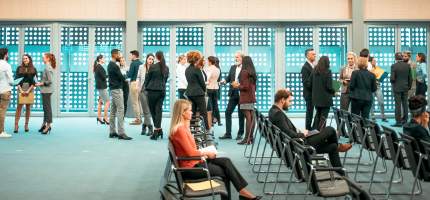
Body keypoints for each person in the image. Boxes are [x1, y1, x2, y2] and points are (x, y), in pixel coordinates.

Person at [169, 99, 262, 200]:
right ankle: (243, 193)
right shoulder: (180, 130)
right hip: (191, 168)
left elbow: (190, 151)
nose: (192, 112)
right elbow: (191, 153)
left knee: (226, 161)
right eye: (189, 110)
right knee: (224, 172)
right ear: (182, 113)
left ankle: (243, 192)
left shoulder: (183, 128)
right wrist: (206, 153)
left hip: (195, 162)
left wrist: (205, 153)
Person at [268, 89, 352, 170]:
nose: (290, 104)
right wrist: (303, 134)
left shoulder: (273, 111)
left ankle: (340, 172)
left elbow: (286, 131)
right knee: (330, 130)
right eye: (289, 101)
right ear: (282, 100)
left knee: (332, 146)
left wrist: (302, 132)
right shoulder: (278, 114)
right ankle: (339, 146)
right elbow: (289, 134)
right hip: (300, 144)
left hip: (297, 143)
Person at [219, 51, 245, 140]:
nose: (236, 59)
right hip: (233, 93)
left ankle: (240, 133)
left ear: (242, 58)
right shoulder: (233, 67)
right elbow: (229, 78)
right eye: (235, 57)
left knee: (241, 114)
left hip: (242, 93)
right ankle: (228, 133)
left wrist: (239, 84)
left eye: (237, 57)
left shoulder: (246, 68)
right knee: (227, 112)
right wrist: (224, 82)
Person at [107, 49, 132, 140]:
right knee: (121, 110)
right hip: (117, 89)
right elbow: (121, 77)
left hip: (113, 89)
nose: (120, 56)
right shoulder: (114, 66)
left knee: (113, 111)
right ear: (114, 55)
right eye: (119, 54)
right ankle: (121, 133)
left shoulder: (110, 65)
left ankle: (112, 131)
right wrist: (126, 78)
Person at [145, 51, 169, 140]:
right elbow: (165, 80)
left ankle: (156, 130)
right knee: (158, 110)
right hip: (162, 91)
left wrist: (145, 87)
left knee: (153, 111)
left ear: (156, 57)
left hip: (152, 91)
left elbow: (148, 78)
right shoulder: (166, 67)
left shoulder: (153, 66)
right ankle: (159, 129)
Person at [185, 51, 210, 132]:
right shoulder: (197, 69)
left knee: (192, 113)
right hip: (198, 93)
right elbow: (202, 83)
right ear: (196, 59)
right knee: (203, 113)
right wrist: (204, 90)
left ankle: (192, 130)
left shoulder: (187, 69)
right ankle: (207, 131)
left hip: (189, 93)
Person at [234, 56, 257, 145]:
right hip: (251, 97)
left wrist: (237, 86)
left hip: (245, 97)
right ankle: (250, 138)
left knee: (248, 118)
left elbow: (245, 87)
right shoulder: (252, 72)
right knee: (251, 117)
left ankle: (247, 138)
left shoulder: (244, 72)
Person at [308, 56, 334, 130]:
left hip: (316, 99)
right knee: (323, 118)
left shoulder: (314, 70)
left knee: (318, 116)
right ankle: (321, 133)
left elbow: (309, 84)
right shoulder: (328, 72)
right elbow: (329, 87)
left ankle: (314, 132)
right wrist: (334, 91)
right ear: (327, 63)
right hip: (325, 99)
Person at [14, 54, 37, 133]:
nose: (25, 60)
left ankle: (26, 125)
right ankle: (16, 125)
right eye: (23, 59)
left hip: (30, 89)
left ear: (29, 59)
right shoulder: (19, 68)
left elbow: (34, 82)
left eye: (26, 58)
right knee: (19, 108)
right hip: (21, 88)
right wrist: (21, 90)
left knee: (28, 107)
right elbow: (16, 80)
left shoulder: (33, 69)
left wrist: (28, 90)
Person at [35, 53, 56, 135]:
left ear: (48, 59)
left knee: (47, 109)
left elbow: (50, 81)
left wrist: (40, 83)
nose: (42, 59)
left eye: (43, 58)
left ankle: (48, 125)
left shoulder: (48, 67)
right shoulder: (47, 66)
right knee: (45, 108)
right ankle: (44, 124)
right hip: (45, 90)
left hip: (47, 91)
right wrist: (41, 83)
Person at [391, 52, 412, 127]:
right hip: (405, 87)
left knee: (398, 105)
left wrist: (393, 83)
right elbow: (410, 78)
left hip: (397, 88)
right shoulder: (407, 66)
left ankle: (398, 122)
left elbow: (392, 78)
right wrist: (409, 87)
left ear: (395, 58)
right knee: (405, 104)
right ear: (402, 57)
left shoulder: (394, 66)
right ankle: (405, 120)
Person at [137, 53, 154, 136]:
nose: (150, 60)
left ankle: (144, 126)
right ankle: (150, 127)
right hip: (142, 90)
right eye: (149, 59)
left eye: (152, 59)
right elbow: (138, 77)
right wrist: (138, 87)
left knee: (148, 110)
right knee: (146, 110)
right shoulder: (141, 67)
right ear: (146, 59)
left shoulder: (154, 68)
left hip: (151, 91)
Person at [301, 48, 316, 130]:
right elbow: (306, 82)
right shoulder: (305, 67)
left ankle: (311, 128)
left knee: (311, 112)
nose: (315, 55)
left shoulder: (313, 65)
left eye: (315, 54)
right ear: (307, 56)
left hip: (313, 93)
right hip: (309, 93)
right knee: (309, 112)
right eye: (313, 54)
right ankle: (308, 129)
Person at [369, 57, 388, 121]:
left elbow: (381, 75)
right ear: (370, 62)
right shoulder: (368, 69)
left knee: (381, 102)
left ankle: (383, 116)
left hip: (377, 87)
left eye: (375, 61)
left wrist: (381, 78)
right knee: (371, 102)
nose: (375, 62)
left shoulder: (378, 68)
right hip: (370, 88)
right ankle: (373, 116)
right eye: (374, 61)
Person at [0, 48, 13, 138]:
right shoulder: (6, 65)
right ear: (5, 55)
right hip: (5, 90)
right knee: (2, 112)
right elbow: (11, 81)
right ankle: (1, 132)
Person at [128, 50, 143, 125]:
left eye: (131, 55)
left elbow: (130, 75)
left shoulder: (133, 63)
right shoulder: (141, 63)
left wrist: (125, 72)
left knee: (135, 102)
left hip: (134, 83)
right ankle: (140, 117)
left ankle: (138, 119)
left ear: (134, 55)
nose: (131, 56)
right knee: (139, 102)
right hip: (140, 84)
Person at [93, 54, 110, 125]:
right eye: (103, 58)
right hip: (102, 87)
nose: (104, 59)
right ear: (100, 59)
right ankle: (105, 118)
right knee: (107, 102)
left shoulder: (97, 66)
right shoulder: (99, 67)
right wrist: (110, 74)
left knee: (100, 101)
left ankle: (99, 117)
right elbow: (104, 77)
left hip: (100, 86)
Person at [206, 56, 221, 127]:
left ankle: (211, 120)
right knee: (216, 105)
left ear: (210, 61)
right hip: (216, 88)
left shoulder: (209, 69)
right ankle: (218, 120)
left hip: (209, 88)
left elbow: (207, 79)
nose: (207, 62)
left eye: (207, 61)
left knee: (210, 105)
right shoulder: (218, 69)